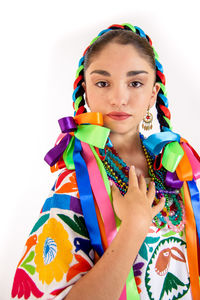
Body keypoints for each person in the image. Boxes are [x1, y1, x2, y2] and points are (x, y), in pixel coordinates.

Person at [11, 23, 200, 300]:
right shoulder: (77, 184)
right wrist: (133, 227)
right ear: (86, 91)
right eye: (103, 83)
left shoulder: (180, 169)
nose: (118, 98)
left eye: (135, 83)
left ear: (153, 93)